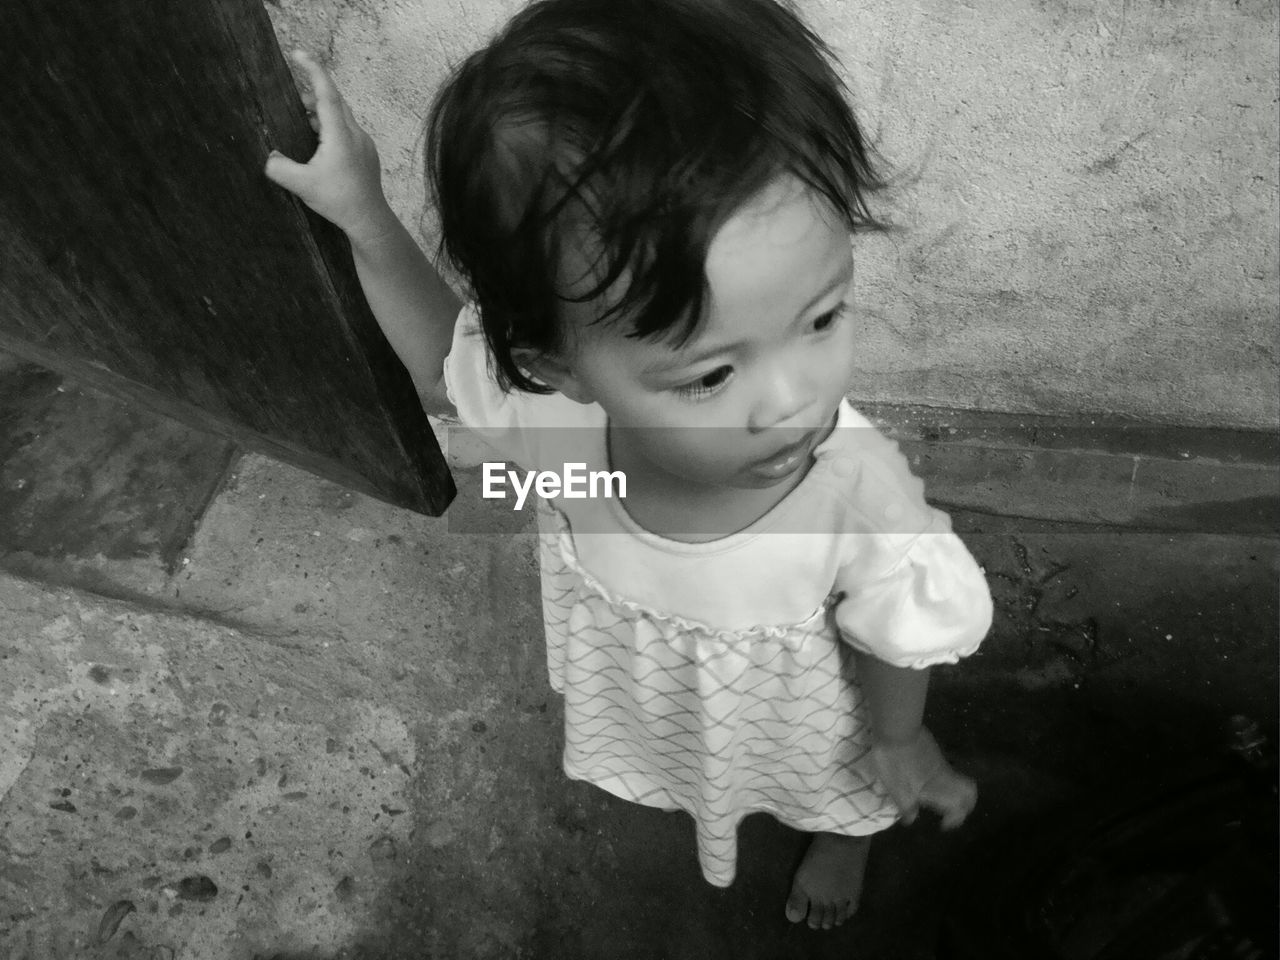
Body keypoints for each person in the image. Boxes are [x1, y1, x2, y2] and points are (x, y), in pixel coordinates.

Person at [265, 0, 993, 932]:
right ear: (559, 365)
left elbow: (896, 633)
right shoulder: (557, 420)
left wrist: (900, 737)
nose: (795, 399)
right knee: (688, 738)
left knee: (832, 777)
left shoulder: (854, 492)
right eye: (711, 372)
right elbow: (445, 365)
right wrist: (363, 212)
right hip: (651, 651)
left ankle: (844, 834)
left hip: (804, 706)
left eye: (822, 317)